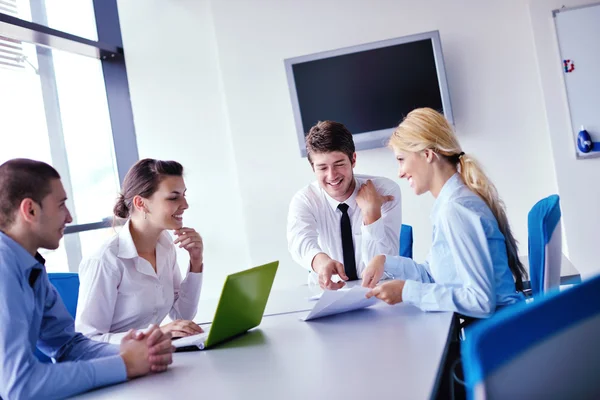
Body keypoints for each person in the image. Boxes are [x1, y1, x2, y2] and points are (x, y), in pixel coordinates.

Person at [0, 158, 174, 399]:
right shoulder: (4, 269)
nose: (69, 217)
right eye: (61, 205)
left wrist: (136, 351)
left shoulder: (31, 267)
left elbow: (68, 346)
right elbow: (19, 385)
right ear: (30, 210)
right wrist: (124, 365)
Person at [363, 108, 526, 318]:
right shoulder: (450, 203)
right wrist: (385, 260)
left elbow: (481, 300)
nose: (400, 172)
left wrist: (407, 291)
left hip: (497, 335)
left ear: (428, 155)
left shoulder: (455, 209)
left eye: (401, 159)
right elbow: (434, 274)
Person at [76, 159, 205, 343]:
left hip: (153, 358)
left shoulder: (165, 245)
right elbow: (88, 339)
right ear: (141, 203)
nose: (185, 204)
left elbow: (182, 314)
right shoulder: (105, 260)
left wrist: (196, 261)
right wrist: (157, 334)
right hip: (118, 364)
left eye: (184, 195)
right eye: (173, 197)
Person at [287, 120, 402, 290]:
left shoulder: (385, 190)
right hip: (329, 292)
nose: (332, 175)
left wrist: (371, 214)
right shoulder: (304, 200)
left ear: (353, 159)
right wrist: (321, 262)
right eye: (322, 168)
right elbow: (300, 242)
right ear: (312, 168)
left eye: (339, 164)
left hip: (378, 289)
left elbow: (385, 260)